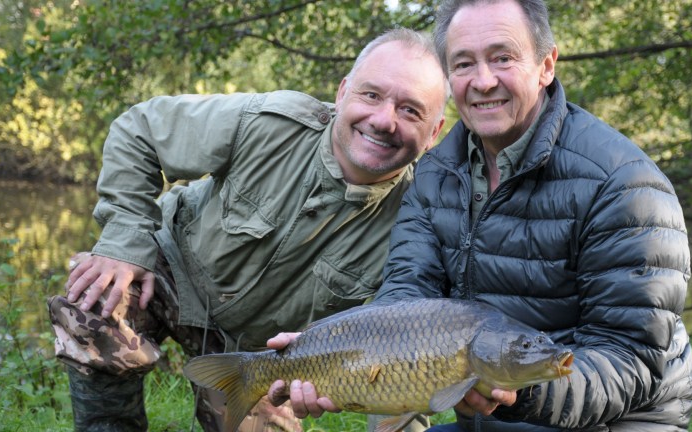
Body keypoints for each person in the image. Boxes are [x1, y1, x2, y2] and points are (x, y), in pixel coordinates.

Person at [277, 0, 692, 430]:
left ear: (546, 65)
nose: (483, 81)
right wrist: (321, 348)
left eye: (502, 58)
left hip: (614, 417)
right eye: (463, 64)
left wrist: (520, 391)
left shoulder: (624, 184)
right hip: (494, 402)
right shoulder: (433, 174)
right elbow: (405, 302)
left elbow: (632, 360)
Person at [46, 28, 448, 432]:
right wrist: (123, 244)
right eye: (371, 95)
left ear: (434, 132)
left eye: (411, 110)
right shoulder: (269, 122)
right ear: (343, 92)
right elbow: (139, 131)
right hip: (170, 271)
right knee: (95, 299)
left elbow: (402, 349)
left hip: (259, 351)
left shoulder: (419, 220)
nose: (383, 120)